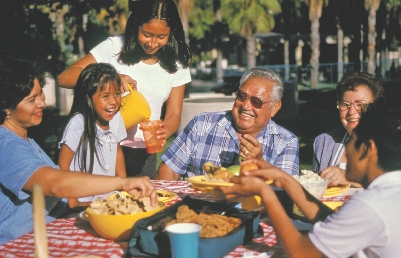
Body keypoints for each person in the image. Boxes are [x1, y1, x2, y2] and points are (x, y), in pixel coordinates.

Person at [0, 53, 157, 245]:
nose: (42, 102)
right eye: (31, 99)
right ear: (6, 107)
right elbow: (54, 184)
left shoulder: (26, 139)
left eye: (40, 93)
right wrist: (121, 184)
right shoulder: (6, 144)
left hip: (52, 229)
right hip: (20, 244)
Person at [220, 104, 401, 257]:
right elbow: (332, 221)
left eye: (351, 141)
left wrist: (266, 194)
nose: (345, 151)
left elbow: (301, 253)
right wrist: (284, 179)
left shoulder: (369, 205)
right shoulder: (390, 192)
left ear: (368, 149)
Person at [57, 0, 191, 179]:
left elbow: (174, 114)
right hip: (101, 146)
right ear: (136, 26)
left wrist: (164, 129)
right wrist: (110, 79)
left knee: (142, 204)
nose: (152, 43)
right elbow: (64, 77)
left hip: (143, 154)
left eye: (161, 37)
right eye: (147, 34)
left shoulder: (177, 63)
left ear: (171, 32)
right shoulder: (114, 47)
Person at [157, 68, 299, 180]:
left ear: (274, 107)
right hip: (197, 208)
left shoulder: (286, 142)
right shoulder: (202, 123)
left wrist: (260, 164)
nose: (246, 106)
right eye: (241, 96)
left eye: (256, 101)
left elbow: (287, 191)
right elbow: (169, 169)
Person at [58, 63, 127, 208]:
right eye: (105, 96)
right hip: (83, 203)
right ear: (88, 97)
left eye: (117, 94)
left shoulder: (116, 118)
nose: (113, 101)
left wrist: (124, 187)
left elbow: (117, 152)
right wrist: (73, 202)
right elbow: (63, 166)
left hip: (109, 201)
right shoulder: (78, 123)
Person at [312, 72, 385, 187]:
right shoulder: (324, 142)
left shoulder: (392, 143)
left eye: (360, 105)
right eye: (345, 105)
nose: (351, 112)